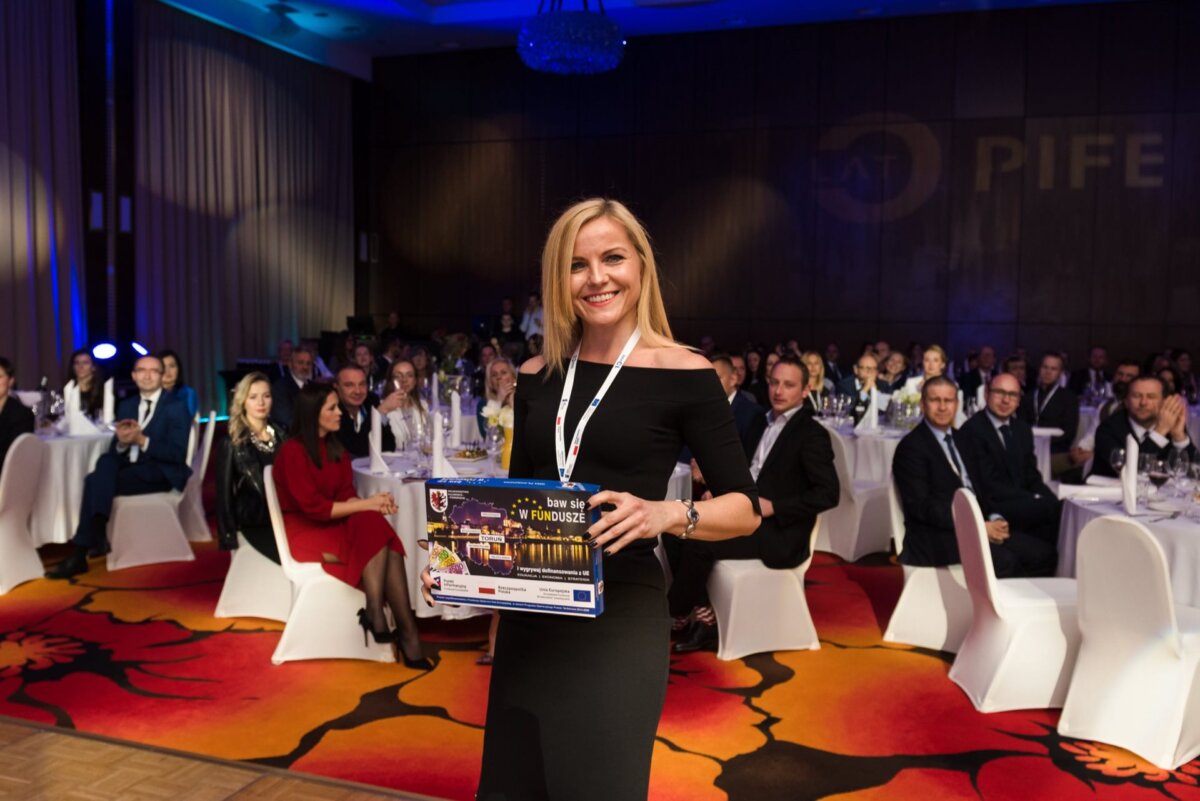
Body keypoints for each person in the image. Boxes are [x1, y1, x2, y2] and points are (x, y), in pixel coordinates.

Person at [425, 198, 759, 801]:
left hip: (620, 612)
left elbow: (744, 508)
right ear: (560, 279)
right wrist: (463, 566)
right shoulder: (537, 373)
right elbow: (517, 505)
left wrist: (666, 514)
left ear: (641, 266)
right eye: (578, 265)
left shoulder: (685, 372)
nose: (597, 277)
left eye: (612, 258)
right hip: (533, 616)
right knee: (515, 785)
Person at [670, 355, 837, 653]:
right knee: (677, 524)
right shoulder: (761, 421)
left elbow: (828, 493)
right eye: (774, 383)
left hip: (780, 534)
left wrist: (775, 506)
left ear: (805, 390)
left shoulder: (812, 434)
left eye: (788, 385)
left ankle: (676, 613)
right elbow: (748, 474)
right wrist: (718, 493)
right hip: (750, 517)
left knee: (700, 540)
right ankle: (702, 611)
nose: (779, 391)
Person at [272, 383, 430, 668]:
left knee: (374, 525)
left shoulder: (335, 448)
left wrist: (374, 503)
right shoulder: (293, 452)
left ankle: (381, 616)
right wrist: (367, 504)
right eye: (332, 408)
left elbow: (346, 494)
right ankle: (407, 635)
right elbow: (315, 509)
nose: (339, 414)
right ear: (312, 414)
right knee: (376, 529)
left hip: (333, 524)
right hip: (306, 533)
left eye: (338, 407)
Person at [891, 377, 1056, 578]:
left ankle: (1020, 607)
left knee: (1043, 554)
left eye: (948, 400)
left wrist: (995, 517)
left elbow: (981, 489)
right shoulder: (911, 447)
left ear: (957, 404)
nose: (942, 407)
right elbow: (923, 508)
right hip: (936, 534)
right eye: (935, 400)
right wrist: (976, 526)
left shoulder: (963, 439)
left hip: (977, 525)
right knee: (1005, 560)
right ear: (923, 404)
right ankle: (992, 609)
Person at [46, 355, 193, 578]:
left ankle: (83, 547)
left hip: (161, 473)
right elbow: (116, 449)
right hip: (131, 469)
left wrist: (141, 440)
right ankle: (92, 539)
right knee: (105, 463)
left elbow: (177, 454)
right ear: (133, 376)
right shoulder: (127, 405)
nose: (147, 375)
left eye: (154, 371)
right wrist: (124, 442)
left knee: (93, 480)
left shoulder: (176, 407)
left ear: (162, 376)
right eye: (141, 370)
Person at [958, 374, 1061, 545]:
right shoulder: (972, 430)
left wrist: (1046, 497)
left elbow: (1032, 475)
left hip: (1021, 503)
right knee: (1051, 510)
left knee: (1058, 507)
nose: (1006, 400)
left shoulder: (1022, 430)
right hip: (994, 505)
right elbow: (987, 484)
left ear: (1019, 400)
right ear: (987, 395)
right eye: (999, 393)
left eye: (1013, 395)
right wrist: (1033, 499)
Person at [215, 372, 286, 561]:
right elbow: (224, 496)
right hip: (257, 521)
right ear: (242, 401)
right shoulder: (231, 443)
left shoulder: (283, 433)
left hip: (288, 515)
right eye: (253, 397)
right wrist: (228, 536)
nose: (261, 403)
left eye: (266, 396)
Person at [1091, 375, 1196, 479]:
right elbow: (1132, 470)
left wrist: (1179, 438)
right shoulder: (1108, 429)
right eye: (1136, 396)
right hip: (1112, 494)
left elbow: (1195, 471)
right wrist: (1159, 432)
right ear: (1126, 402)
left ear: (1164, 402)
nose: (1143, 403)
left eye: (1151, 397)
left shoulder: (1170, 425)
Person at [1018, 352, 1086, 480]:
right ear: (1039, 369)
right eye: (1045, 367)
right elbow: (1020, 425)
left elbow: (1069, 434)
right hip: (1028, 448)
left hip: (1056, 451)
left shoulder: (1069, 398)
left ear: (1060, 373)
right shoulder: (1028, 396)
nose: (1048, 372)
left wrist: (1042, 444)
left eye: (1053, 369)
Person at [334, 365, 396, 458]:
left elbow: (389, 446)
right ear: (336, 387)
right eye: (349, 385)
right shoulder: (332, 412)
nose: (358, 391)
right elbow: (356, 452)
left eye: (362, 384)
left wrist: (380, 415)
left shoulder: (372, 401)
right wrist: (378, 414)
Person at [0, 357, 35, 476]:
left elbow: (15, 456)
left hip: (8, 477)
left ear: (10, 381)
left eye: (0, 377)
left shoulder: (21, 414)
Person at [381, 359, 428, 447]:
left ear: (415, 381)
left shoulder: (422, 406)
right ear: (391, 381)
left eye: (409, 375)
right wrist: (382, 410)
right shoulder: (383, 408)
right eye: (398, 376)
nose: (404, 380)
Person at [270, 346, 313, 431]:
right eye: (300, 363)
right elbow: (287, 422)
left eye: (308, 363)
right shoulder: (280, 388)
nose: (305, 367)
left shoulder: (313, 387)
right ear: (290, 364)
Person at [476, 357, 516, 440]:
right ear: (490, 382)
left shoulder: (526, 400)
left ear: (513, 377)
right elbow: (487, 436)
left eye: (503, 373)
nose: (499, 377)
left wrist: (512, 403)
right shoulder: (483, 404)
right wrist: (499, 401)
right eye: (494, 375)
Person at [837, 352, 882, 423]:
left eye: (874, 368)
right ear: (856, 370)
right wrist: (865, 389)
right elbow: (851, 411)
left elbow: (885, 412)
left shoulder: (884, 385)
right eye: (866, 368)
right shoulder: (844, 386)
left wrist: (875, 391)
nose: (870, 372)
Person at [65, 348, 106, 419]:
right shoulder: (66, 391)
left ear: (93, 367)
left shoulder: (103, 391)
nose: (81, 367)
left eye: (85, 363)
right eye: (77, 363)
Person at [158, 349, 198, 417]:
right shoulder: (152, 393)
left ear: (178, 368)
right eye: (163, 367)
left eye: (172, 366)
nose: (168, 371)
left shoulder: (188, 392)